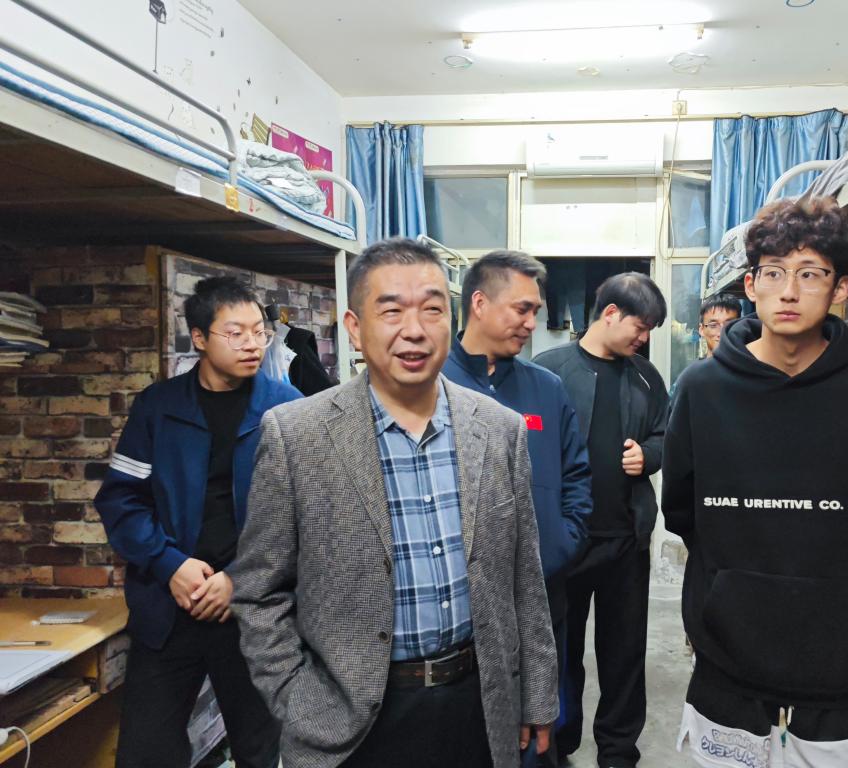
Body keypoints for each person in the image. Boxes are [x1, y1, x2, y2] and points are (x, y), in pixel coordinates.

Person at [231, 237, 559, 768]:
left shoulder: (500, 429)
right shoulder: (297, 435)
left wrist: (537, 695)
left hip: (477, 705)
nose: (414, 329)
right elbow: (259, 592)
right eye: (391, 311)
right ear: (354, 327)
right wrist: (299, 700)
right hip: (353, 721)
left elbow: (525, 577)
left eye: (432, 309)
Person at [663, 197, 848, 768]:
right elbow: (682, 510)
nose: (789, 292)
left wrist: (844, 586)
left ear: (840, 289)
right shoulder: (701, 390)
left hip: (843, 673)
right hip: (727, 669)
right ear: (751, 286)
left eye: (810, 274)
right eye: (774, 273)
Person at [95, 276, 301, 768]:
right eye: (236, 333)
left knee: (262, 752)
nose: (252, 344)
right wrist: (170, 565)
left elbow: (306, 519)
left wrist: (240, 580)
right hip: (169, 608)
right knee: (146, 751)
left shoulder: (288, 409)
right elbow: (121, 500)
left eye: (259, 332)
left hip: (254, 613)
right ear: (200, 338)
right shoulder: (159, 408)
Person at [442, 250, 592, 767]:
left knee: (541, 728)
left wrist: (560, 545)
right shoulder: (432, 384)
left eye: (535, 311)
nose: (532, 324)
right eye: (522, 309)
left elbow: (577, 476)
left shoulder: (545, 388)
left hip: (542, 593)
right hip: (460, 606)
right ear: (479, 303)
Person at [534, 272, 669, 768]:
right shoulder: (549, 372)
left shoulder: (646, 376)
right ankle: (560, 743)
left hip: (625, 542)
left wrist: (649, 455)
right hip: (566, 544)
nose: (644, 338)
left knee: (624, 655)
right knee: (560, 654)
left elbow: (666, 433)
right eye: (641, 325)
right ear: (610, 313)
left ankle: (617, 751)